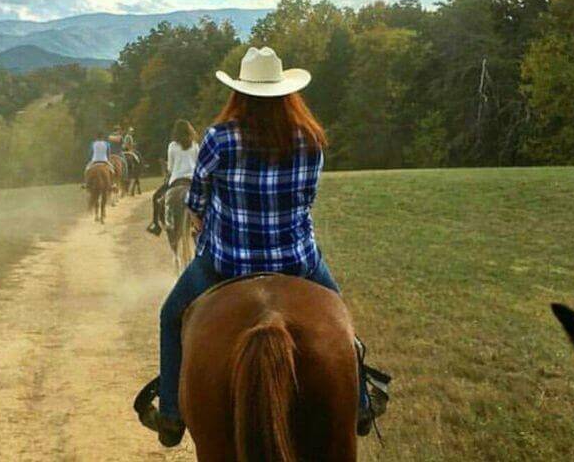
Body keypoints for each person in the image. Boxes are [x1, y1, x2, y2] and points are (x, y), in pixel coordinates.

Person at [137, 47, 388, 446]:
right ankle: (358, 403)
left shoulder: (219, 138)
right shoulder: (310, 139)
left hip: (224, 264)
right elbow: (306, 201)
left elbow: (197, 201)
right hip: (298, 262)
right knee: (340, 320)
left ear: (239, 93)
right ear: (288, 93)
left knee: (171, 315)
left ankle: (170, 414)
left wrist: (206, 220)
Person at [146, 120, 198, 236]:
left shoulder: (172, 146)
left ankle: (156, 225)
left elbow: (170, 168)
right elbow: (198, 164)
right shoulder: (195, 145)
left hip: (176, 180)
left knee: (156, 198)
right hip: (192, 181)